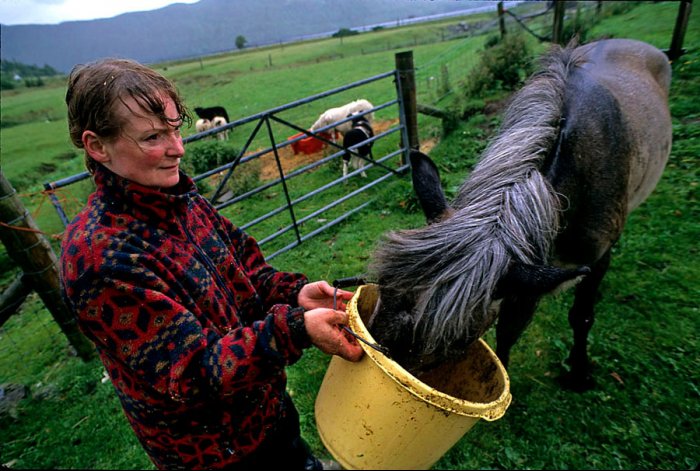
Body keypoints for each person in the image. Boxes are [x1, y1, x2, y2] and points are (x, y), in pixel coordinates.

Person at [59, 58, 364, 470]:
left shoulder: (178, 200)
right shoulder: (100, 261)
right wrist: (295, 329)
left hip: (265, 412)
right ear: (97, 146)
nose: (178, 149)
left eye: (175, 129)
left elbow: (248, 269)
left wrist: (294, 294)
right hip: (212, 453)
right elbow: (193, 371)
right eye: (153, 137)